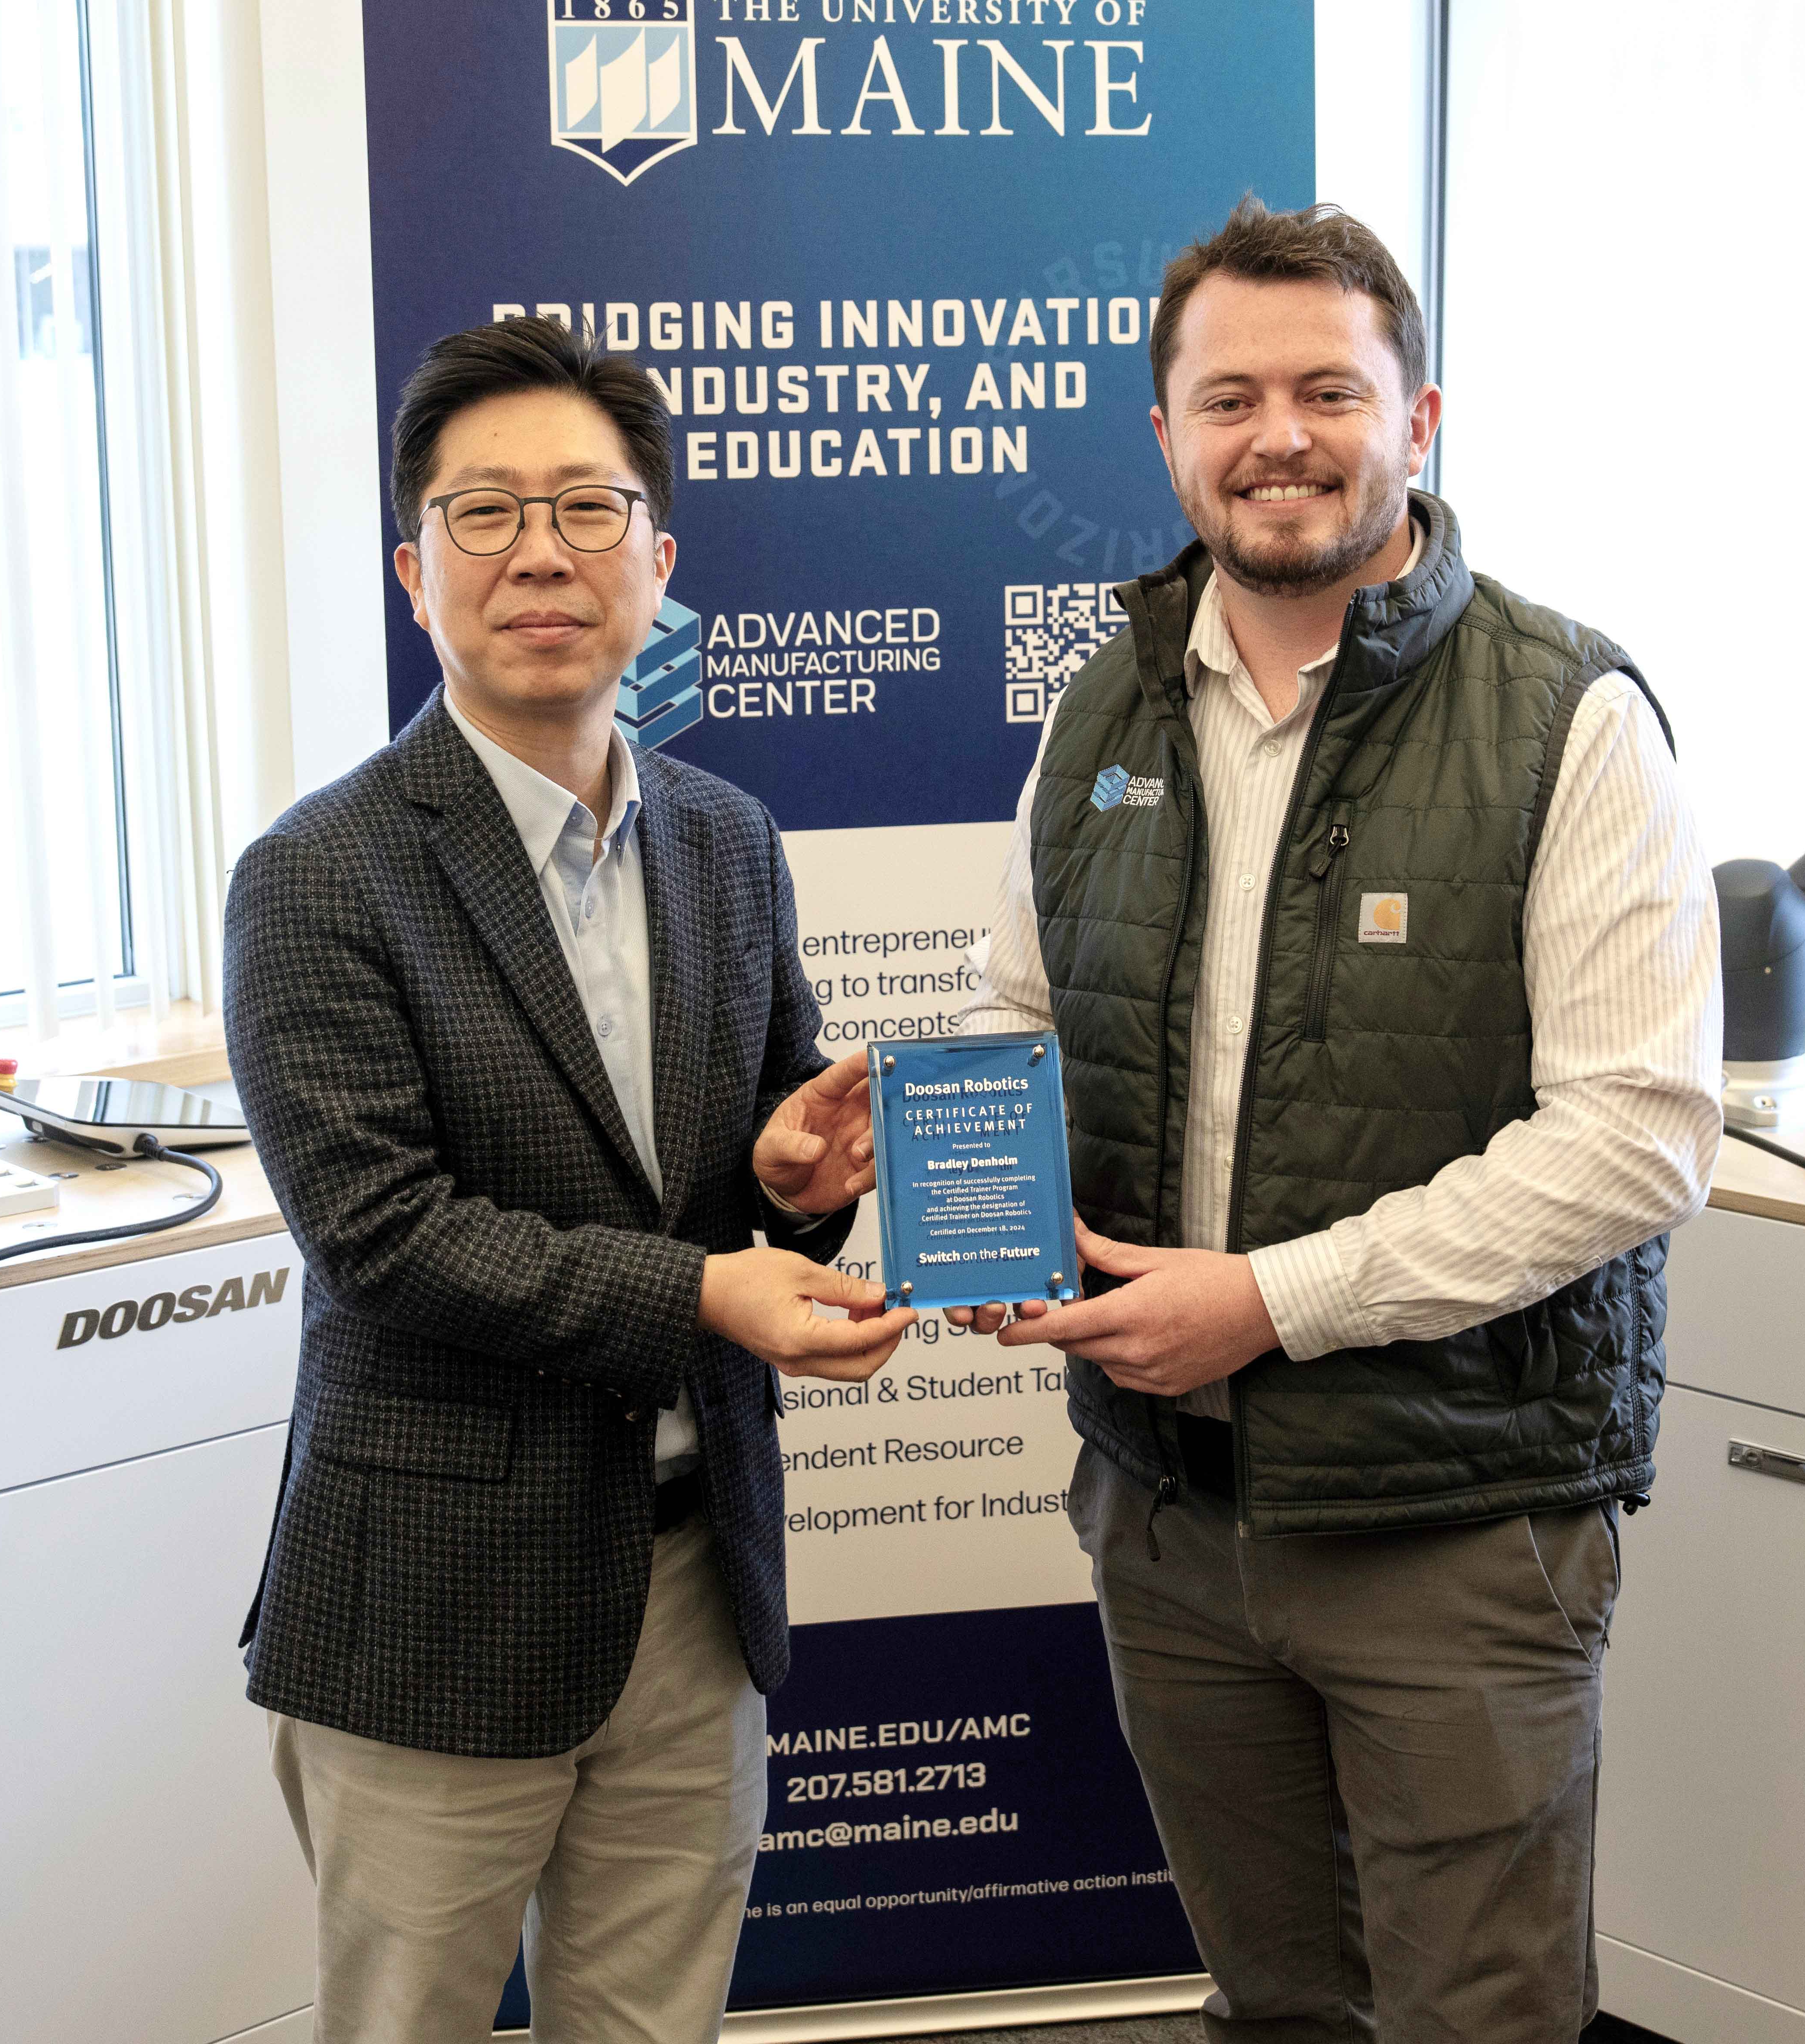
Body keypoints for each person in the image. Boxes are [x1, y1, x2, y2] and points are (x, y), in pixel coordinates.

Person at [951, 199, 1723, 2042]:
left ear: (1420, 419)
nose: (1276, 435)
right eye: (1228, 396)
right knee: (1279, 2002)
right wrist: (983, 1210)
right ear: (1165, 435)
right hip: (1169, 1515)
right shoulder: (1103, 704)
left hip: (1452, 1523)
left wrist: (1269, 1299)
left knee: (1479, 2013)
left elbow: (1635, 1132)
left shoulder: (1570, 717)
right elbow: (1021, 1011)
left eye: (1326, 389)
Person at [227, 314, 912, 2042]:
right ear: (415, 567)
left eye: (589, 507)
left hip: (692, 1581)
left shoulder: (725, 836)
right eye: (485, 511)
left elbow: (772, 1161)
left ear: (657, 561)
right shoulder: (320, 875)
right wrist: (703, 1288)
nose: (541, 550)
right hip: (438, 1600)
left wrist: (800, 1181)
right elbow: (388, 1236)